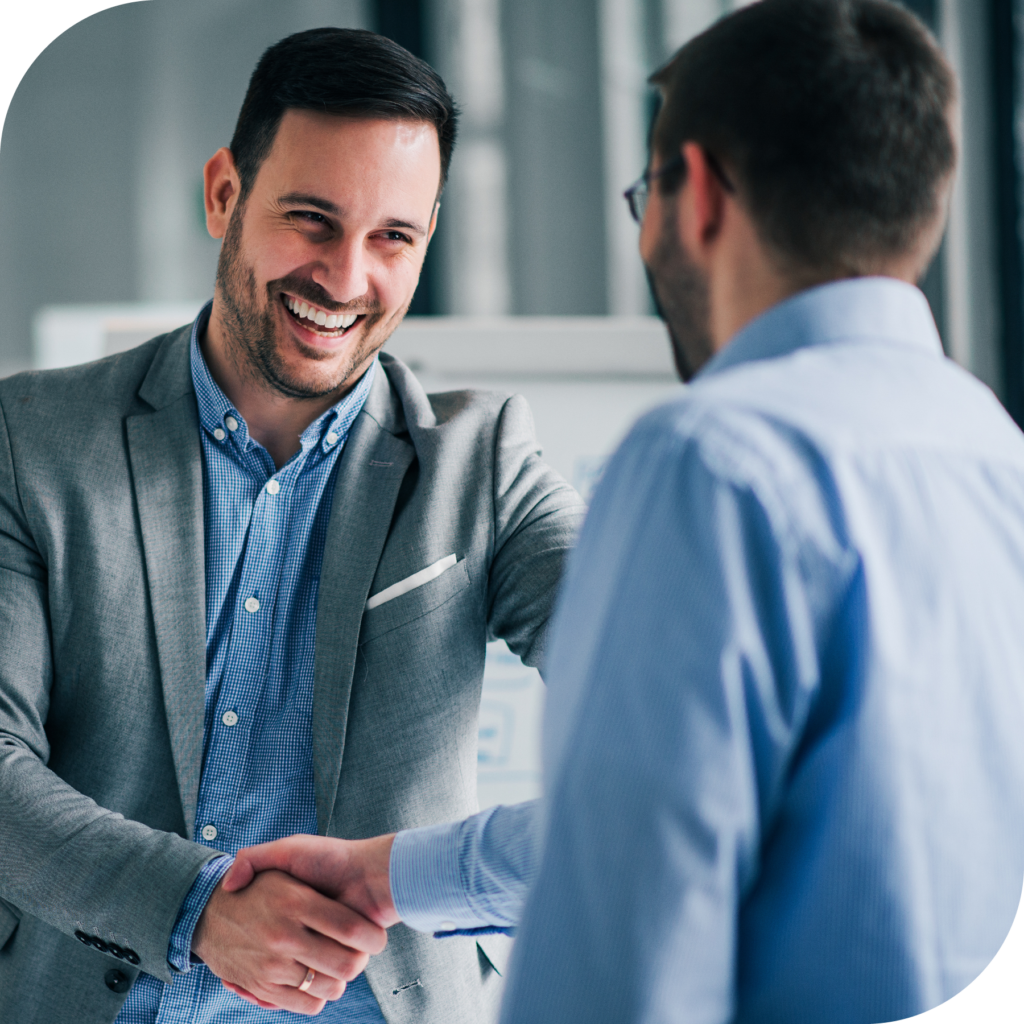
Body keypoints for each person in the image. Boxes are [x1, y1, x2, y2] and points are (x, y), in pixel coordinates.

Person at [225, 1, 1024, 1020]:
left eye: (645, 192)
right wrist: (392, 873)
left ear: (695, 197)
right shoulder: (995, 456)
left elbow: (624, 926)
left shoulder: (712, 460)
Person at [0, 27, 584, 1024]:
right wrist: (194, 911)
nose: (345, 278)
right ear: (225, 192)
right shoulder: (34, 438)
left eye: (392, 238)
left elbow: (669, 714)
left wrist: (416, 875)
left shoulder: (481, 465)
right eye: (311, 219)